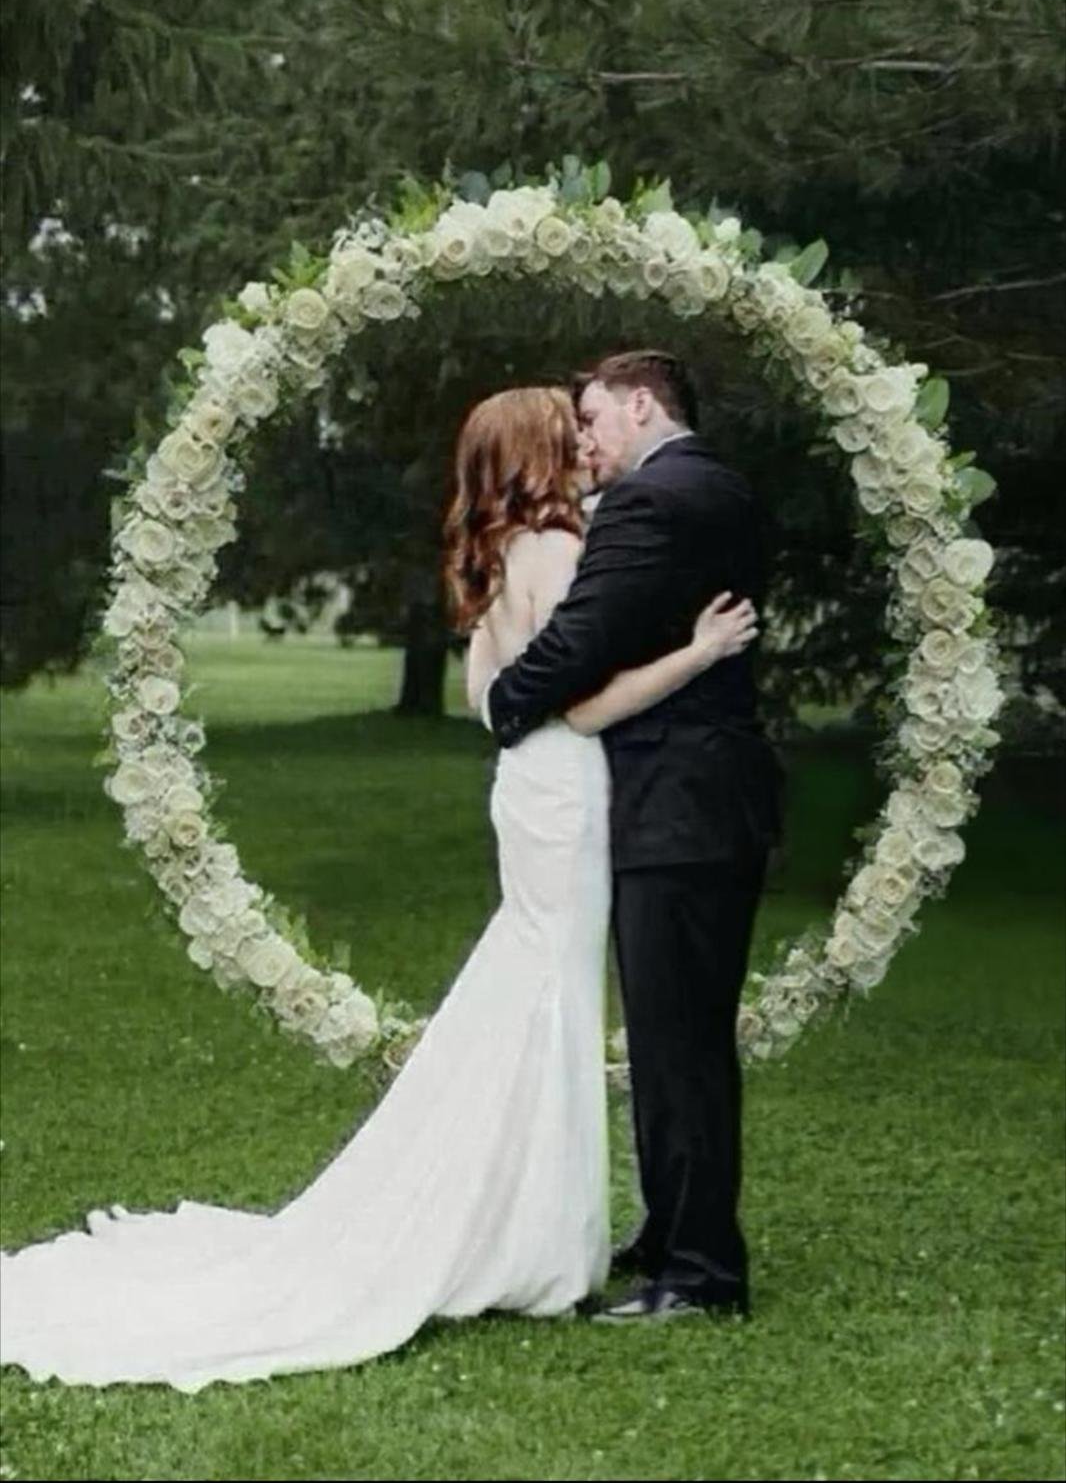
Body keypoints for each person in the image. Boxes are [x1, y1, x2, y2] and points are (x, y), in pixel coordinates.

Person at [0, 384, 756, 1393]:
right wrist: (698, 652)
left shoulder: (498, 553)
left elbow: (486, 695)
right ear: (537, 453)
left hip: (527, 794)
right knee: (551, 997)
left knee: (533, 985)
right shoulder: (555, 550)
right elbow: (575, 708)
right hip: (567, 792)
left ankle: (526, 1220)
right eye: (566, 430)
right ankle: (532, 1240)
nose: (583, 442)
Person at [482, 352, 784, 1324]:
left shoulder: (654, 498)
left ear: (642, 404)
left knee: (678, 1045)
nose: (583, 438)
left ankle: (699, 1272)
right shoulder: (718, 486)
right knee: (671, 1038)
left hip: (679, 808)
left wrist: (505, 704)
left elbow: (583, 637)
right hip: (698, 800)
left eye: (593, 417)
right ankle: (669, 1231)